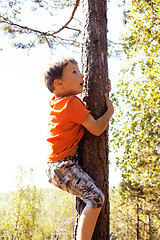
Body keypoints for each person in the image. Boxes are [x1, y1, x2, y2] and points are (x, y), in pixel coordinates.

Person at [44, 57, 114, 240]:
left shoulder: (59, 102)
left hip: (58, 165)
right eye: (74, 72)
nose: (81, 74)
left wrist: (102, 91)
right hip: (62, 167)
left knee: (90, 198)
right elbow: (97, 128)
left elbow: (80, 107)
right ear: (58, 83)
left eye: (79, 70)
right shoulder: (71, 103)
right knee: (95, 198)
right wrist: (110, 112)